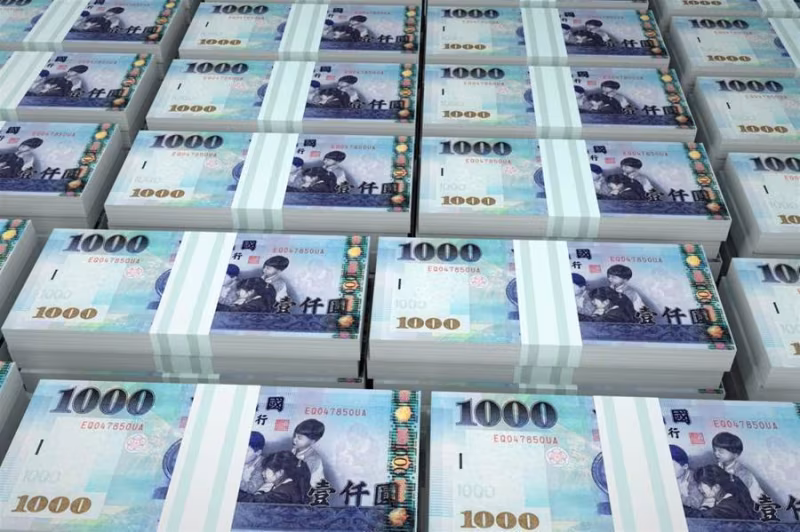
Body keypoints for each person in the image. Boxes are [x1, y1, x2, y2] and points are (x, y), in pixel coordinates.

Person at [684, 465, 758, 520]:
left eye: (701, 484)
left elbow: (702, 517)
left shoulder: (728, 506)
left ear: (716, 487)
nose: (699, 488)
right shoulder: (727, 500)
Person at [712, 432, 764, 503]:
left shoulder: (743, 473)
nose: (716, 453)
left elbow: (744, 497)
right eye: (715, 450)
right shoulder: (718, 467)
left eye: (721, 451)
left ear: (736, 454)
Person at [240, 451, 305, 504]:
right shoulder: (287, 485)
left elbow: (254, 501)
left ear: (280, 473)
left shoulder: (283, 493)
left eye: (265, 470)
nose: (262, 473)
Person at [292, 418, 326, 498]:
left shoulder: (314, 459)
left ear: (313, 441)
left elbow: (316, 485)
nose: (295, 440)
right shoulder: (294, 451)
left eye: (299, 438)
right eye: (295, 436)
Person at [670, 445, 704, 509]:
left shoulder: (694, 478)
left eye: (672, 466)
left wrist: (676, 495)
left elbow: (695, 503)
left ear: (685, 466)